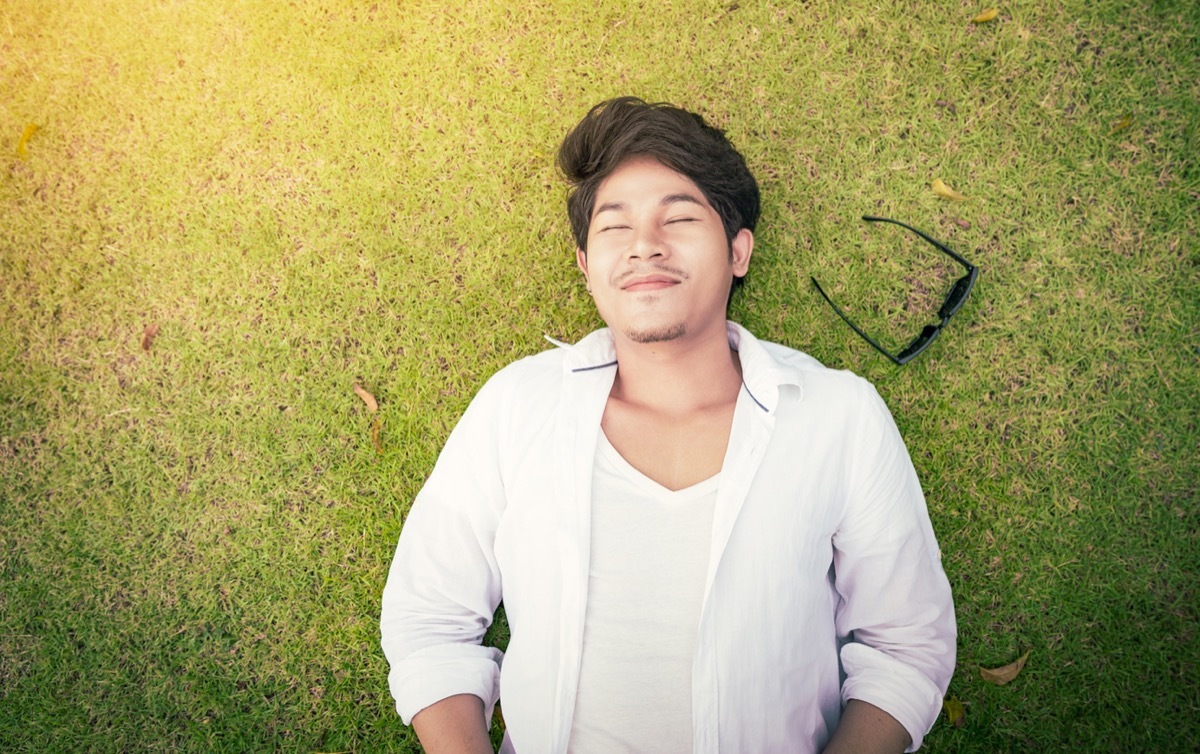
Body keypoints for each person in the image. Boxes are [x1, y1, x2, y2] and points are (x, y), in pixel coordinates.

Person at [380, 96, 956, 754]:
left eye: (678, 218)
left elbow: (906, 648)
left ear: (739, 252)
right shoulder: (515, 407)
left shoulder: (839, 417)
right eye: (614, 227)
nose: (645, 245)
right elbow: (429, 624)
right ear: (585, 268)